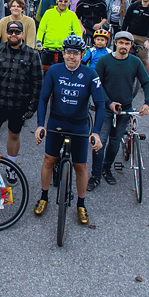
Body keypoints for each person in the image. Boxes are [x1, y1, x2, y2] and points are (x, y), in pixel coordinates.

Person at [33, 35, 104, 224]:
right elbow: (43, 98)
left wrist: (95, 132)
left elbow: (100, 104)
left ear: (82, 55)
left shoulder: (90, 74)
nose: (72, 57)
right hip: (56, 122)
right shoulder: (54, 71)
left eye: (76, 53)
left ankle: (81, 204)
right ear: (63, 53)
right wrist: (41, 124)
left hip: (79, 124)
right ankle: (44, 196)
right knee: (49, 160)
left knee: (80, 166)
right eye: (68, 53)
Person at [0, 19, 43, 176]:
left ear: (22, 34)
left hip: (20, 105)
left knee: (14, 135)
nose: (13, 34)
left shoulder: (32, 54)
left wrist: (32, 108)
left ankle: (10, 167)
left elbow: (38, 84)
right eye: (11, 32)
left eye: (17, 32)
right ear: (6, 34)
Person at [88, 31, 149, 191]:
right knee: (100, 141)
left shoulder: (135, 62)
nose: (124, 46)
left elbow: (146, 83)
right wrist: (108, 103)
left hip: (125, 109)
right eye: (121, 43)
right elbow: (97, 84)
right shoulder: (104, 61)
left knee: (115, 142)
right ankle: (95, 174)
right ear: (115, 43)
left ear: (131, 46)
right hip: (106, 108)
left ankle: (106, 168)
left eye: (127, 44)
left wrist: (147, 103)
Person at [36, 0, 84, 70]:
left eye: (65, 1)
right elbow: (41, 29)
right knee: (44, 70)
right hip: (48, 47)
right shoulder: (48, 13)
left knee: (63, 70)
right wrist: (38, 40)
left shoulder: (72, 15)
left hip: (63, 48)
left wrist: (79, 41)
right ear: (57, 1)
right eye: (61, 1)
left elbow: (77, 31)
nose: (63, 3)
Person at [122, 0, 149, 74]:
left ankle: (145, 81)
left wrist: (148, 40)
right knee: (123, 55)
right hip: (131, 35)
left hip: (143, 37)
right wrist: (123, 33)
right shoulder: (134, 6)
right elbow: (126, 19)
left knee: (144, 59)